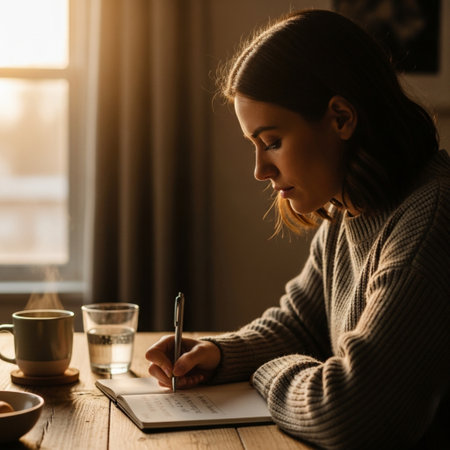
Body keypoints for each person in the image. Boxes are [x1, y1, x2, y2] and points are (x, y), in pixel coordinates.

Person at [145, 9, 450, 449]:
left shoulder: (429, 222)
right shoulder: (352, 207)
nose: (259, 170)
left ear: (341, 117)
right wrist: (220, 355)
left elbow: (348, 411)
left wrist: (263, 371)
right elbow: (300, 325)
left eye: (272, 142)